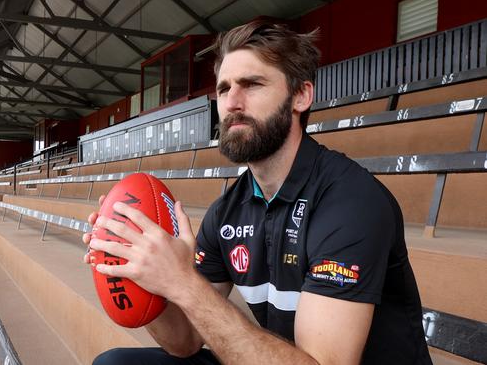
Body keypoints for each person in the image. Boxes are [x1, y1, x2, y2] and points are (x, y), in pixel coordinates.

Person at [83, 18, 432, 365]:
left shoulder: (351, 202)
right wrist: (137, 272)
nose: (232, 102)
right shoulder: (228, 211)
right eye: (223, 89)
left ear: (300, 96)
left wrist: (184, 283)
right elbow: (184, 342)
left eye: (251, 84)